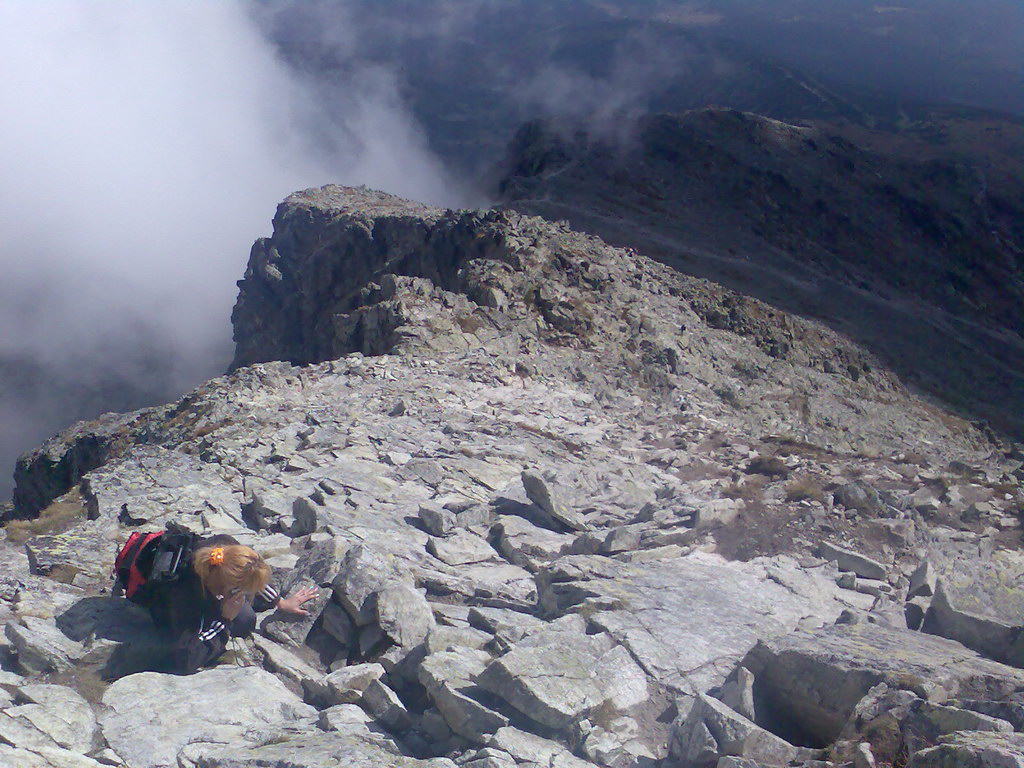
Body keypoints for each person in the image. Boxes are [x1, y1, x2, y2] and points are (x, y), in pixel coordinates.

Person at [122, 531, 318, 674]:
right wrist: (223, 620)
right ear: (224, 588)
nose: (248, 594)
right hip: (169, 602)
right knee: (242, 621)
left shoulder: (225, 549)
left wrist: (280, 602)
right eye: (241, 590)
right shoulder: (185, 594)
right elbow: (185, 659)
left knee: (245, 617)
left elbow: (251, 574)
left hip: (210, 588)